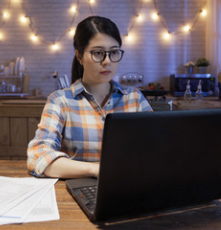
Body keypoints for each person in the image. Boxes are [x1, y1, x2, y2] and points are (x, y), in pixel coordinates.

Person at [27, 16, 152, 179]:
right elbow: (38, 157)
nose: (107, 61)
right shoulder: (60, 101)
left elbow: (157, 149)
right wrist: (96, 170)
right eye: (98, 53)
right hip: (76, 192)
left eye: (114, 52)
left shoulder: (134, 98)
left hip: (129, 186)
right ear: (79, 56)